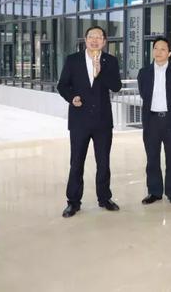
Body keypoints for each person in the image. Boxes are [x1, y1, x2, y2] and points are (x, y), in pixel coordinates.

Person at [57, 26, 122, 218]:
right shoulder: (73, 60)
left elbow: (116, 86)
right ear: (85, 40)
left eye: (99, 37)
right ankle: (73, 202)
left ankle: (104, 198)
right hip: (80, 121)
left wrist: (100, 72)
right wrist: (72, 98)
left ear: (104, 41)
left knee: (103, 163)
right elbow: (62, 85)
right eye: (91, 37)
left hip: (103, 122)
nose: (95, 40)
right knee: (76, 162)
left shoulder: (110, 61)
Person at [137, 37, 171, 205]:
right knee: (152, 158)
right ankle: (154, 192)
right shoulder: (144, 73)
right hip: (151, 120)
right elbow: (143, 93)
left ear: (170, 53)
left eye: (163, 49)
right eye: (156, 48)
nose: (158, 52)